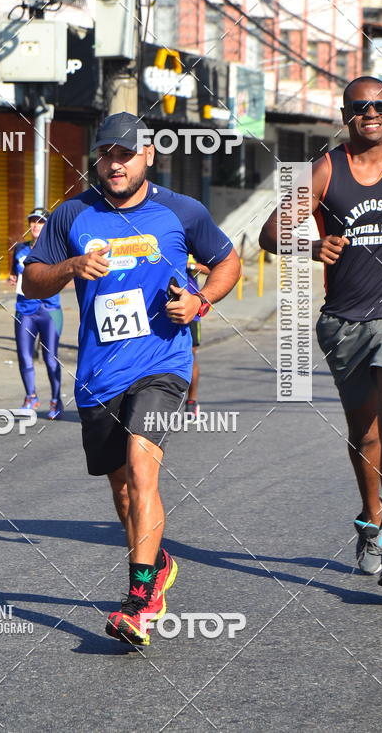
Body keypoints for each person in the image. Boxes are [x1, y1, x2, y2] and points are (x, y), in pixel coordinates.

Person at [22, 112, 241, 645]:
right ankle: (157, 563)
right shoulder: (72, 213)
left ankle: (138, 602)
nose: (115, 164)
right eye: (106, 155)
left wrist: (201, 301)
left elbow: (228, 262)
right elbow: (32, 282)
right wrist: (71, 267)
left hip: (162, 364)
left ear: (148, 155)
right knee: (123, 492)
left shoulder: (181, 211)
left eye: (125, 154)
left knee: (144, 469)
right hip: (99, 375)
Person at [259, 76, 382, 580]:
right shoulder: (324, 169)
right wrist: (311, 246)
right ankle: (372, 520)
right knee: (366, 435)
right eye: (360, 106)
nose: (371, 113)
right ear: (345, 113)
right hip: (345, 323)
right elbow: (270, 233)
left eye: (380, 105)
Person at [9, 208, 63, 420]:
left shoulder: (56, 249)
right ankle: (30, 397)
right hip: (25, 310)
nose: (35, 225)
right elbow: (14, 273)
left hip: (49, 310)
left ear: (47, 225)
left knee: (50, 358)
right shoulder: (20, 249)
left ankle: (56, 400)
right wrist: (13, 279)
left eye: (40, 222)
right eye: (32, 221)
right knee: (24, 356)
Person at [185, 255, 210, 418]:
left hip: (191, 311)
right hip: (163, 309)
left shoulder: (192, 246)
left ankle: (192, 401)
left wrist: (191, 266)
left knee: (191, 354)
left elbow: (210, 269)